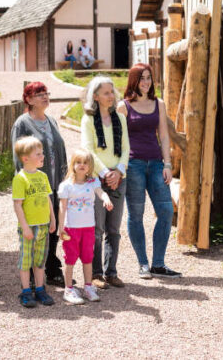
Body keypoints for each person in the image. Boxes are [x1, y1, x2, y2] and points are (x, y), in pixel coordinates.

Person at [117, 64, 182, 279]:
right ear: (133, 81)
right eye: (141, 78)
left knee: (165, 211)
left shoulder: (158, 104)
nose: (146, 82)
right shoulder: (123, 107)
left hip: (156, 164)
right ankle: (143, 264)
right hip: (133, 165)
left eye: (149, 78)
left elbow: (164, 136)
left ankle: (158, 264)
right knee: (136, 215)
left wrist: (167, 164)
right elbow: (119, 142)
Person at [11, 82, 68, 287]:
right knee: (36, 230)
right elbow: (19, 157)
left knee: (51, 227)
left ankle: (51, 269)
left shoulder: (51, 120)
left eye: (46, 93)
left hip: (53, 182)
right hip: (34, 187)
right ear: (29, 99)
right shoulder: (22, 123)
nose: (45, 97)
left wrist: (64, 176)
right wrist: (24, 187)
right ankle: (33, 277)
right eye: (39, 94)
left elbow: (60, 149)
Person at [80, 76, 130, 289]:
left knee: (114, 228)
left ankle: (112, 272)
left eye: (112, 92)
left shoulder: (120, 118)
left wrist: (118, 171)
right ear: (96, 96)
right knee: (97, 228)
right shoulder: (88, 120)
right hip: (98, 180)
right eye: (107, 93)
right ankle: (97, 273)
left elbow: (126, 148)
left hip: (118, 179)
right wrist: (105, 172)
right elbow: (88, 149)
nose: (112, 96)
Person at [57, 149, 114, 304]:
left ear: (90, 166)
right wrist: (60, 227)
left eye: (85, 163)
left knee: (88, 258)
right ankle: (68, 289)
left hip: (88, 228)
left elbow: (101, 192)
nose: (82, 165)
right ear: (73, 165)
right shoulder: (66, 186)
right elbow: (62, 208)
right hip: (71, 229)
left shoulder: (93, 182)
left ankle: (88, 286)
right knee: (70, 259)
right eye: (78, 162)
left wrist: (106, 198)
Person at [12, 136, 57, 308]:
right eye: (38, 154)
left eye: (42, 153)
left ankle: (40, 289)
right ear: (25, 159)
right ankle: (25, 291)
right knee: (26, 260)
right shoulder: (20, 179)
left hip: (43, 226)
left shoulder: (43, 176)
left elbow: (47, 199)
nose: (42, 156)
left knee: (40, 261)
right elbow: (18, 205)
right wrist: (25, 227)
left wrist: (52, 219)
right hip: (28, 228)